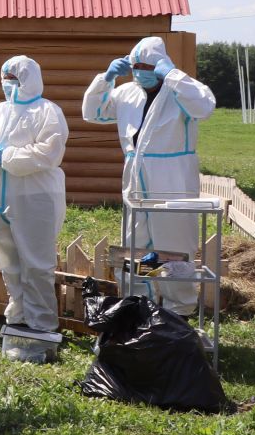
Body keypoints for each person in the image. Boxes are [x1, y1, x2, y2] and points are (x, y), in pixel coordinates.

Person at [82, 36, 218, 316]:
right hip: (135, 176)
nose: (139, 70)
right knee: (137, 244)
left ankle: (178, 310)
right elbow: (92, 112)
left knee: (173, 244)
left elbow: (205, 106)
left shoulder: (179, 91)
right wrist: (105, 79)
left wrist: (173, 75)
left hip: (172, 178)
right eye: (134, 65)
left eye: (145, 65)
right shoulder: (127, 93)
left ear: (160, 65)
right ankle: (142, 306)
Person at [0, 56, 69, 362]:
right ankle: (19, 317)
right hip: (1, 195)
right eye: (4, 77)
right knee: (9, 259)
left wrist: (7, 156)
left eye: (13, 78)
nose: (7, 84)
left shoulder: (48, 111)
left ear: (28, 79)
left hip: (35, 197)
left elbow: (48, 153)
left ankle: (42, 325)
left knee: (36, 262)